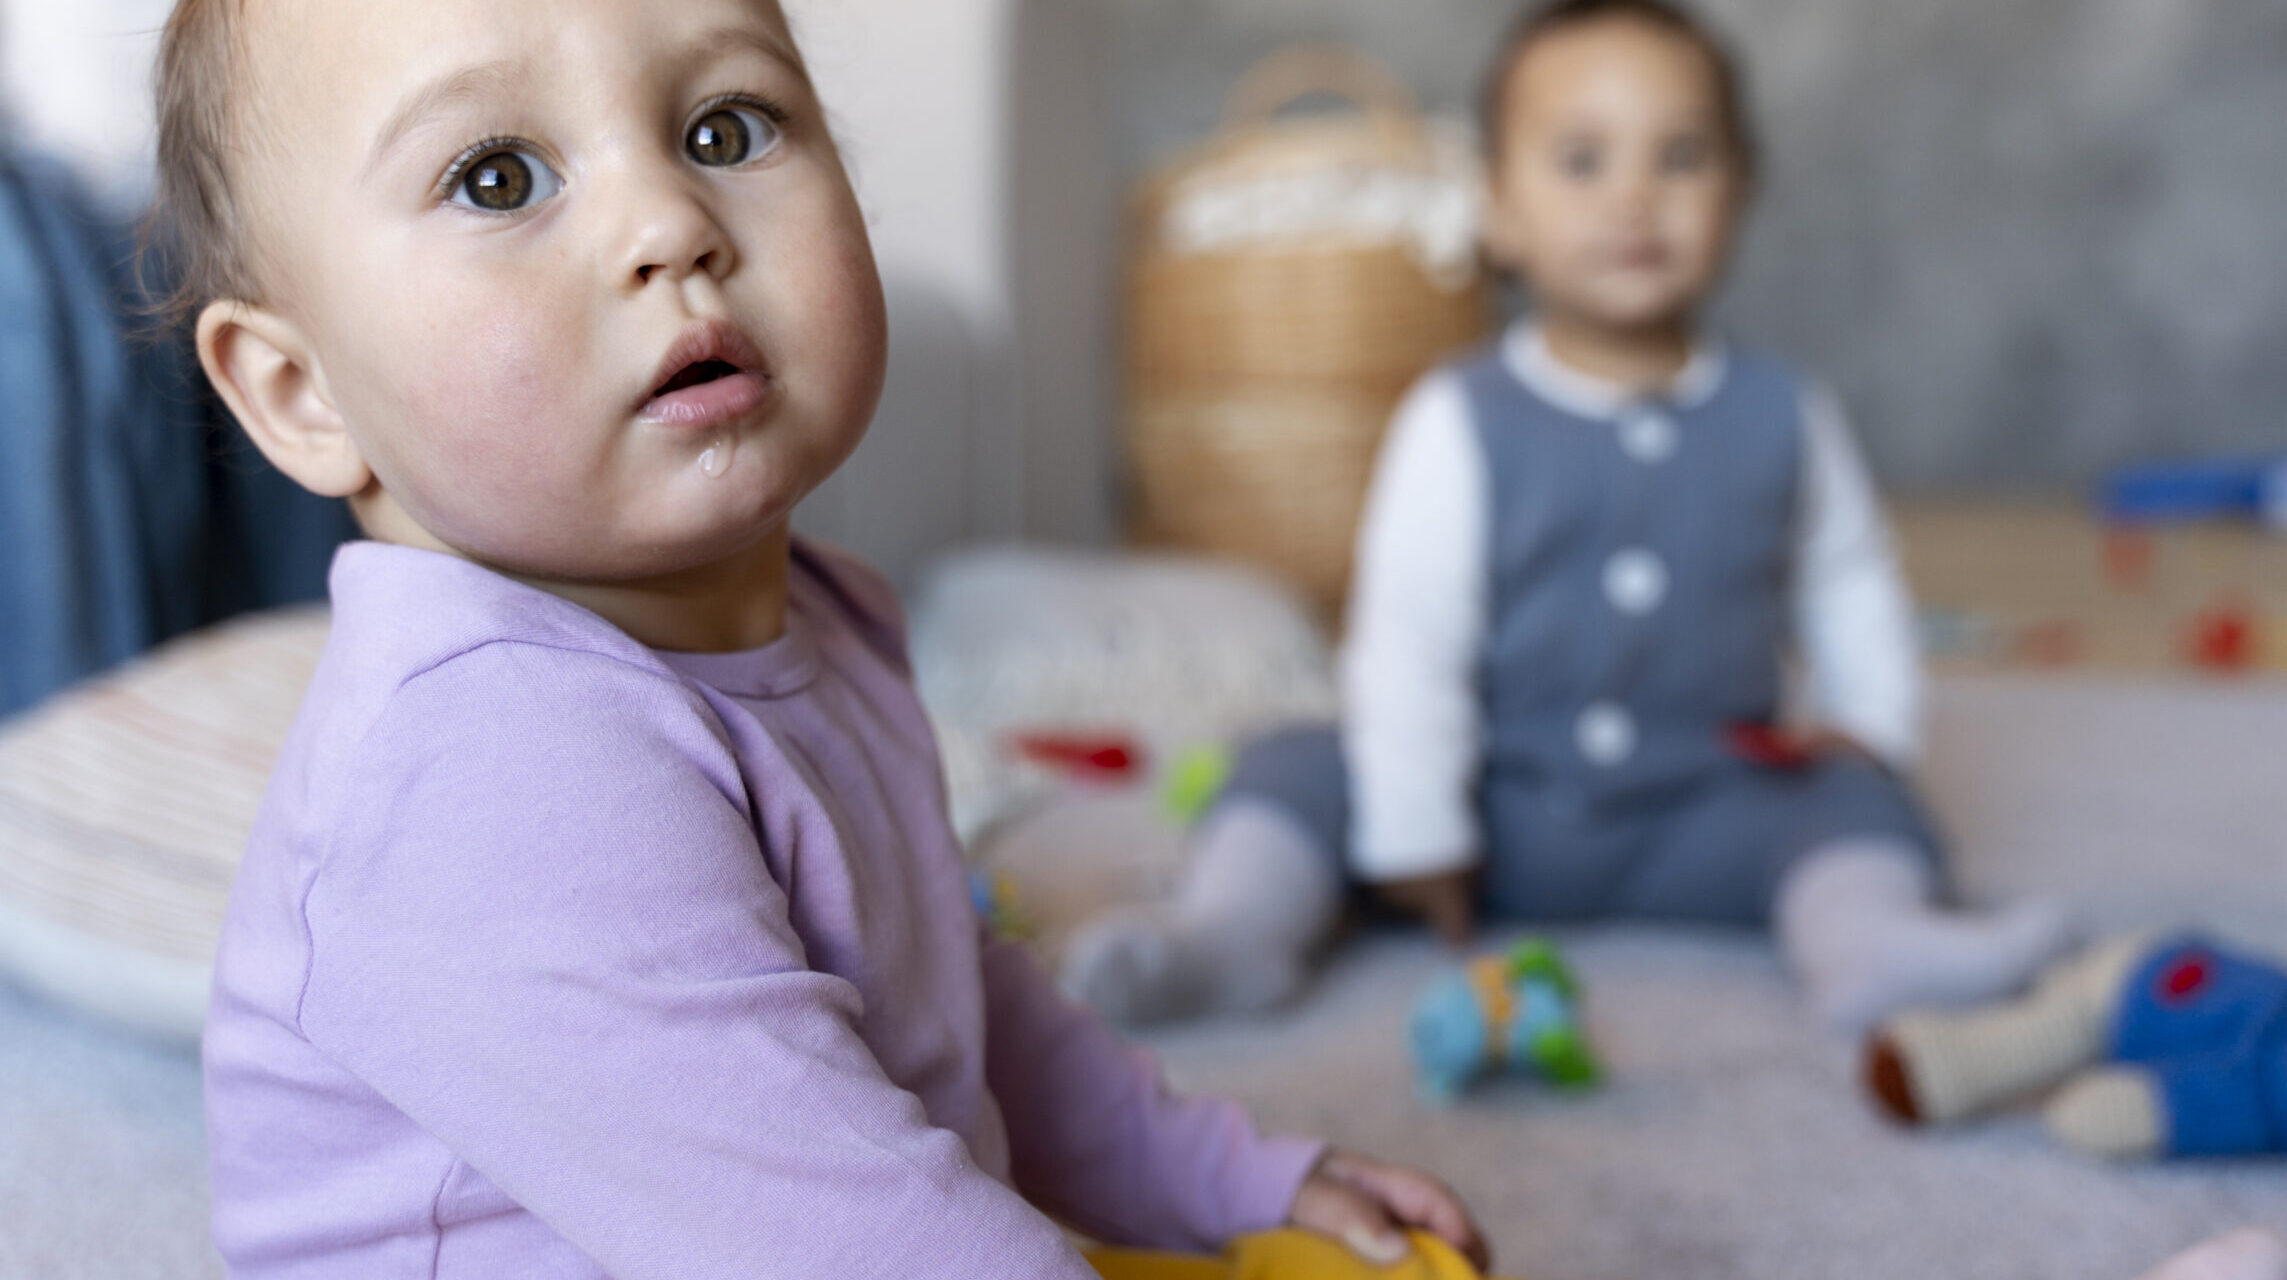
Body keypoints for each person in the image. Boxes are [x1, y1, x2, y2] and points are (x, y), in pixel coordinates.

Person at [164, 0, 1484, 1275]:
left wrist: (1212, 1179)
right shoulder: (484, 768)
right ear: (302, 394)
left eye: (725, 130)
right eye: (499, 178)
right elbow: (843, 1236)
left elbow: (940, 1005)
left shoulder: (827, 619)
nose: (670, 223)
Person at [1061, 0, 2072, 1036]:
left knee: (1864, 804)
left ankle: (1868, 942)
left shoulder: (1783, 409)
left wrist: (1869, 720)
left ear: (1741, 189)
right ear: (1498, 208)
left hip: (1704, 802)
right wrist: (1419, 829)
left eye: (1680, 157)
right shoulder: (1459, 417)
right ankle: (1231, 936)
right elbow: (1410, 638)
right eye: (1582, 161)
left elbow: (1847, 577)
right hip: (1496, 799)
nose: (1633, 197)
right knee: (1294, 766)